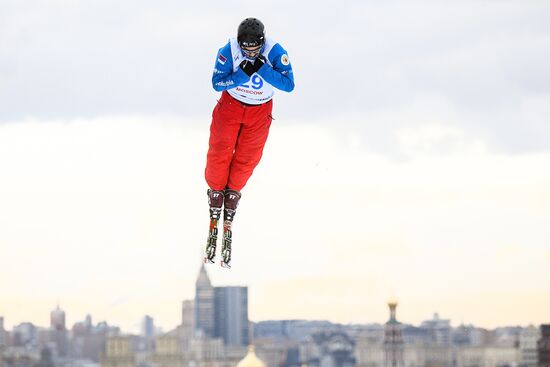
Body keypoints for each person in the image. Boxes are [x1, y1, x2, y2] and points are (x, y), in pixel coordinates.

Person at [204, 17, 295, 267]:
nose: (250, 51)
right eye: (246, 48)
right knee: (220, 151)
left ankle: (232, 193)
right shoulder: (228, 51)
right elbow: (216, 82)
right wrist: (241, 74)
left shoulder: (276, 52)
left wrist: (264, 69)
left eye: (254, 48)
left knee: (248, 157)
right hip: (231, 106)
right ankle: (215, 190)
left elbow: (289, 85)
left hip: (259, 111)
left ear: (262, 43)